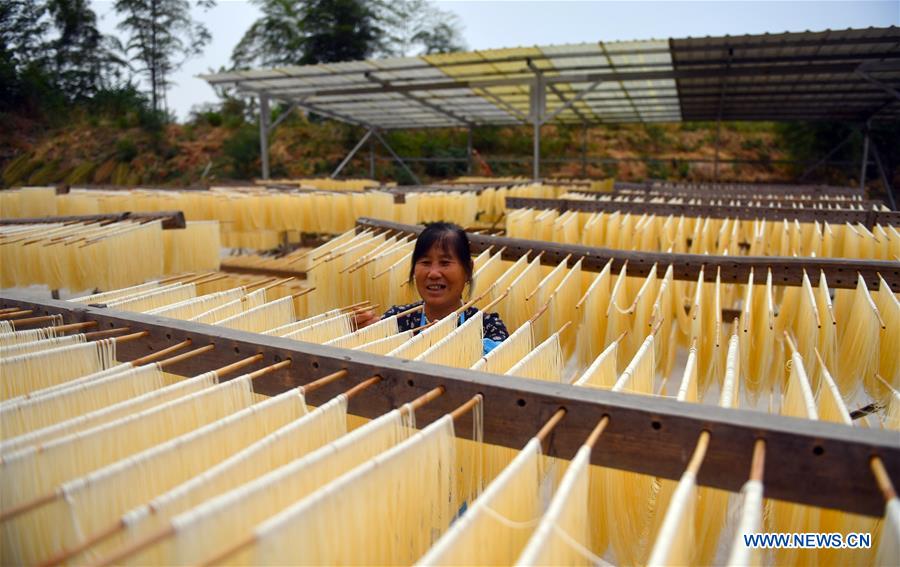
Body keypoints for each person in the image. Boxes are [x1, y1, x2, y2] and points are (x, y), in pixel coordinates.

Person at [356, 222, 509, 354]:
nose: (433, 273)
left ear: (467, 270)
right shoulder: (396, 320)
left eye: (445, 263)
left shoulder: (487, 326)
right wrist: (359, 335)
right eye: (425, 262)